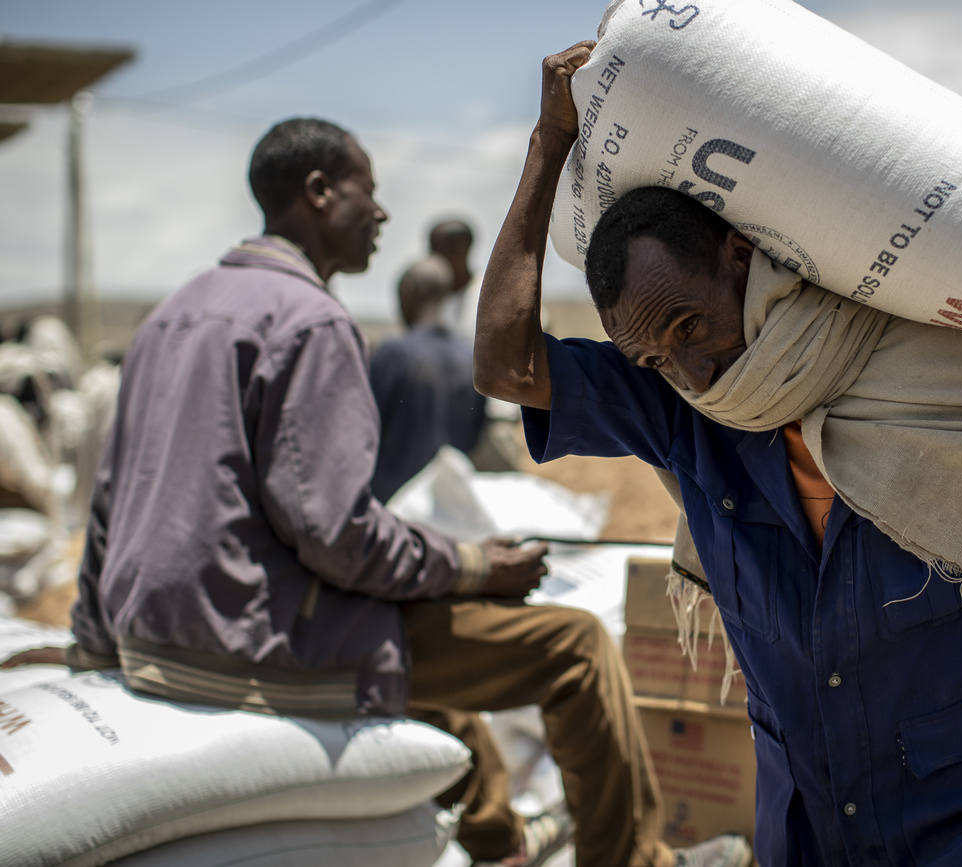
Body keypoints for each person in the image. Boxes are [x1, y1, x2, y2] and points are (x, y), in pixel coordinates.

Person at [473, 43, 962, 866]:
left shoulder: (933, 362)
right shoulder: (685, 413)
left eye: (689, 327)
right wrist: (548, 144)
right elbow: (506, 365)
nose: (692, 371)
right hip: (816, 823)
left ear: (738, 257)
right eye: (654, 360)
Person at [0, 117, 748, 867]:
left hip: (151, 634)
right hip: (255, 640)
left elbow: (107, 503)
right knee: (573, 646)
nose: (383, 214)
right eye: (370, 191)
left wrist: (96, 650)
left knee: (418, 648)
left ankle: (496, 840)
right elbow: (334, 532)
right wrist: (475, 566)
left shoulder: (170, 314)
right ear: (320, 194)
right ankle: (637, 861)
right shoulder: (312, 321)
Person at [369, 254, 487, 502]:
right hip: (447, 506)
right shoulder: (470, 358)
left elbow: (367, 428)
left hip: (395, 504)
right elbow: (474, 436)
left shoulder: (394, 353)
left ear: (408, 291)